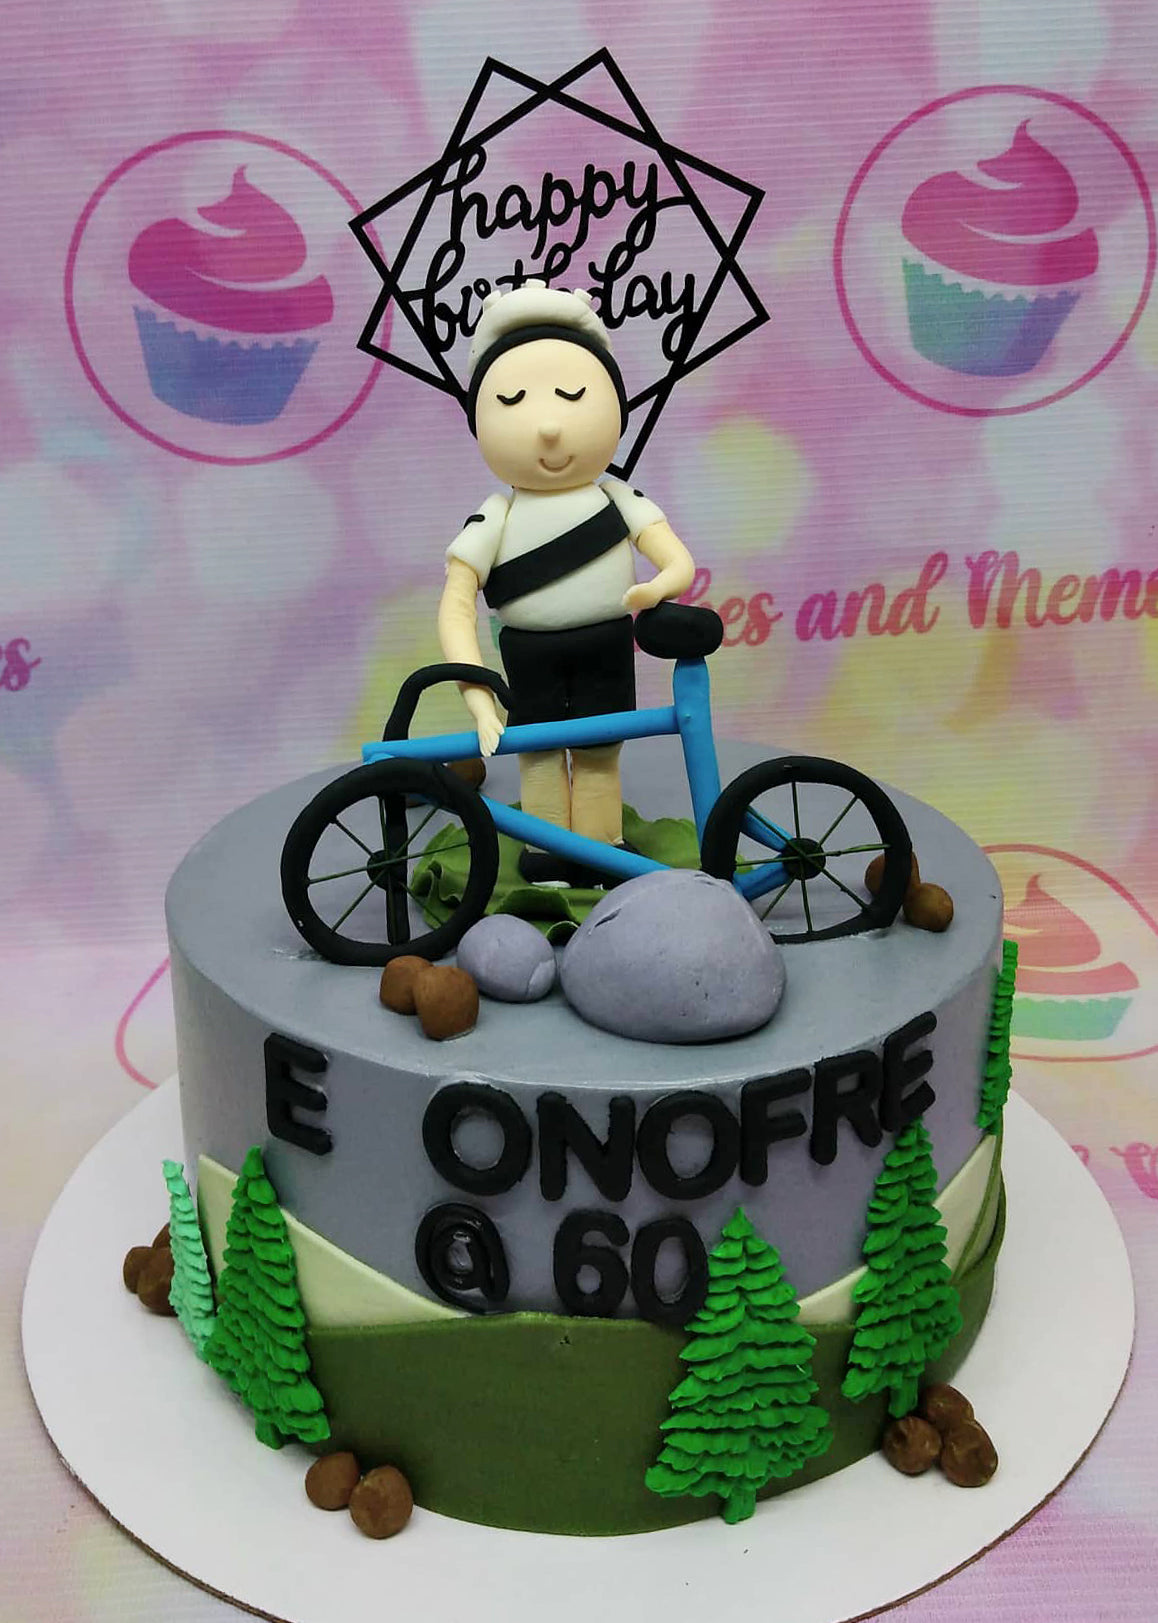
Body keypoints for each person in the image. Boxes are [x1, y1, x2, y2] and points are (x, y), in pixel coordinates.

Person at [437, 282, 695, 883]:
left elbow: (677, 563)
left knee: (602, 752)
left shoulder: (619, 497)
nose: (549, 426)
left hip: (607, 645)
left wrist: (657, 589)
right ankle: (547, 853)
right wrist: (477, 692)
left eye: (574, 395)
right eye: (512, 400)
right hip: (528, 657)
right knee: (539, 755)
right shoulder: (495, 516)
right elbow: (455, 606)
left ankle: (601, 852)